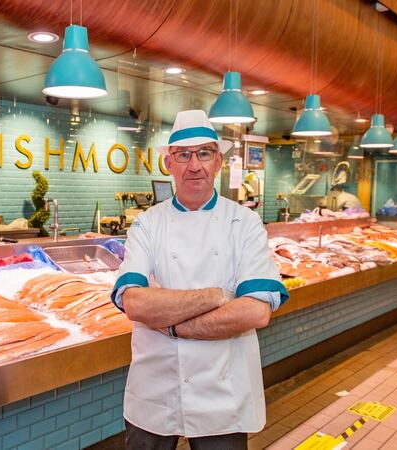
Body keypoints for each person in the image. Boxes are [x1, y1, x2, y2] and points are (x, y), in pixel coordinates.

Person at [111, 110, 288, 449]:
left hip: (222, 394)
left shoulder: (244, 223)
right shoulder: (146, 224)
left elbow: (254, 313)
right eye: (183, 155)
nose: (194, 165)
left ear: (218, 161)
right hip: (154, 390)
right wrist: (218, 296)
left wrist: (173, 325)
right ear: (169, 164)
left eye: (204, 153)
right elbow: (134, 302)